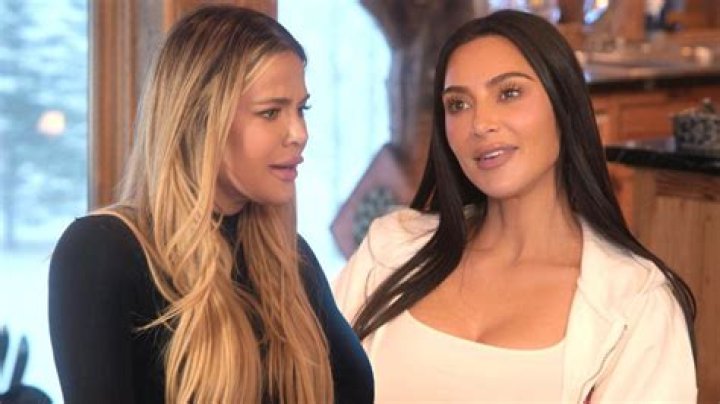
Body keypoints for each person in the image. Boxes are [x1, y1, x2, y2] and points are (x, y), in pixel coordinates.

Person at [333, 9, 696, 403]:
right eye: (458, 104)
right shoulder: (388, 251)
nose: (480, 123)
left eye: (508, 93)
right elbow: (304, 382)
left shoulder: (636, 302)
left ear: (564, 105)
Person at [49, 5, 373, 404]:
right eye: (271, 112)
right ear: (201, 120)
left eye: (301, 109)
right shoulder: (103, 251)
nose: (299, 133)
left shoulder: (291, 260)